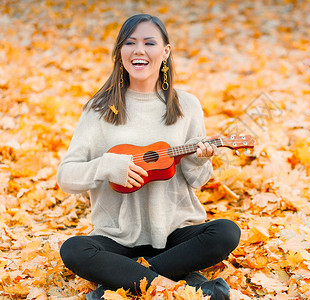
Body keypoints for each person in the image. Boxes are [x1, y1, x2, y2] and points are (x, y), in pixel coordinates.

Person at [57, 14, 241, 300]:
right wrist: (107, 166)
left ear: (165, 52)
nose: (139, 50)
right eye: (130, 43)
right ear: (121, 52)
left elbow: (197, 180)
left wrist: (200, 159)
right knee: (73, 249)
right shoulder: (98, 109)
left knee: (227, 232)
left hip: (174, 235)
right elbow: (66, 176)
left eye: (149, 43)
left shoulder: (187, 105)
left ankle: (121, 282)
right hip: (116, 239)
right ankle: (182, 286)